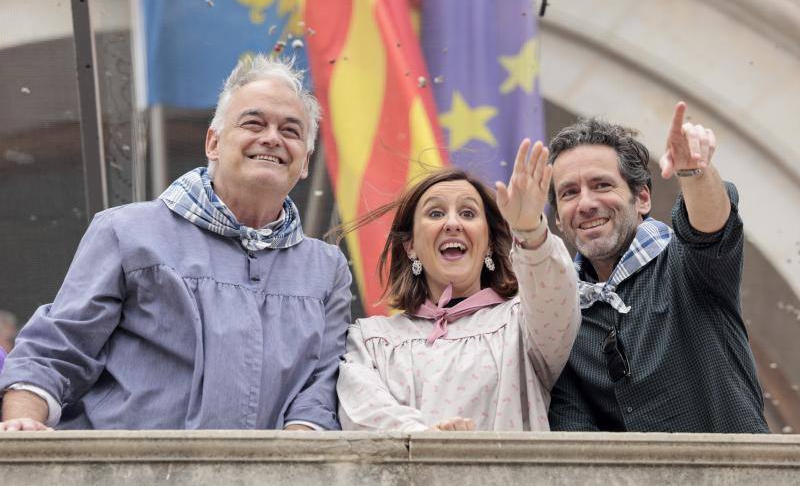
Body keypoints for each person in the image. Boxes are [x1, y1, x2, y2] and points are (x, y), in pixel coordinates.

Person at [0, 55, 351, 431]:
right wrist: (22, 424)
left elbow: (320, 388)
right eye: (253, 123)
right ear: (213, 142)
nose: (271, 138)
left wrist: (294, 463)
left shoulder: (325, 270)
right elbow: (59, 347)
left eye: (291, 131)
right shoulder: (127, 232)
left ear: (304, 162)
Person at [546, 102, 769, 433]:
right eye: (569, 192)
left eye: (602, 185)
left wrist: (695, 173)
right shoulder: (560, 315)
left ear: (643, 199)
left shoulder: (687, 264)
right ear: (559, 220)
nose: (586, 203)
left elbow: (708, 228)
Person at [336, 140, 580, 431]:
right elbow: (361, 409)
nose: (453, 223)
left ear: (489, 243)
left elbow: (557, 296)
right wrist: (429, 440)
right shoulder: (370, 339)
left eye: (468, 214)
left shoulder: (523, 323)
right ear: (411, 246)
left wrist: (530, 230)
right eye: (436, 214)